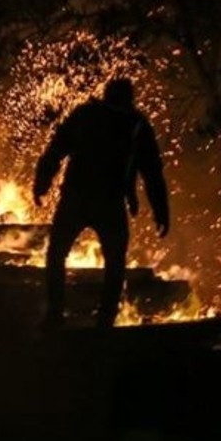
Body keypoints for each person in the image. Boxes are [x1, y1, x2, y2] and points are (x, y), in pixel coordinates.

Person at [32, 78, 169, 330]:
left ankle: (57, 315)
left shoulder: (88, 115)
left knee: (58, 254)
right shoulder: (135, 123)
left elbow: (55, 149)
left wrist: (42, 182)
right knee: (113, 262)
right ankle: (103, 319)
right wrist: (160, 212)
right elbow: (152, 173)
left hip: (81, 198)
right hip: (103, 201)